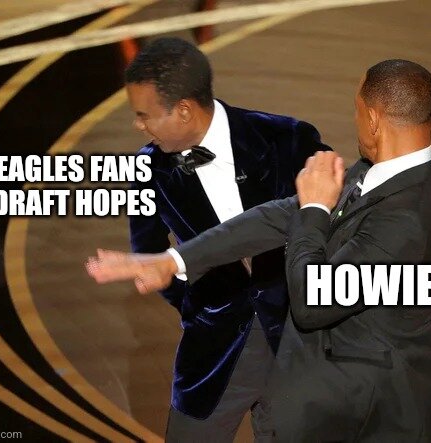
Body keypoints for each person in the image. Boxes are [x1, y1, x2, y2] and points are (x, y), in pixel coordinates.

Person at [88, 59, 431, 441]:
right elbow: (279, 215)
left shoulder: (406, 219)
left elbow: (312, 302)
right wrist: (174, 260)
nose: (355, 121)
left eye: (357, 111)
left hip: (377, 412)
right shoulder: (384, 172)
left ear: (373, 119)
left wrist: (315, 209)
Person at [122, 37, 331, 442]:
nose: (139, 125)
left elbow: (337, 221)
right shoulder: (146, 169)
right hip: (214, 353)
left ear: (184, 109)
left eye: (144, 115)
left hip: (301, 345)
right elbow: (148, 254)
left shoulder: (288, 138)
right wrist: (200, 305)